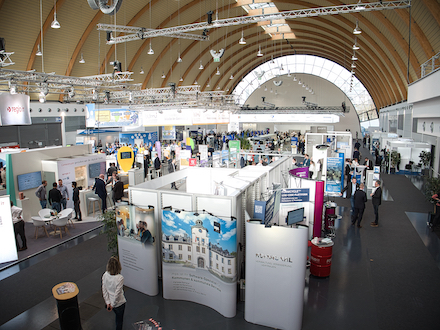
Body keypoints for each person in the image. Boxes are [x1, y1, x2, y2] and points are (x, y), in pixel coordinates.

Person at [102, 256, 126, 330]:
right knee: (119, 321)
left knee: (118, 318)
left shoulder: (105, 275)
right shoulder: (120, 278)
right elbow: (117, 293)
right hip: (119, 303)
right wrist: (113, 304)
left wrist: (108, 302)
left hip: (110, 302)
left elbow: (104, 289)